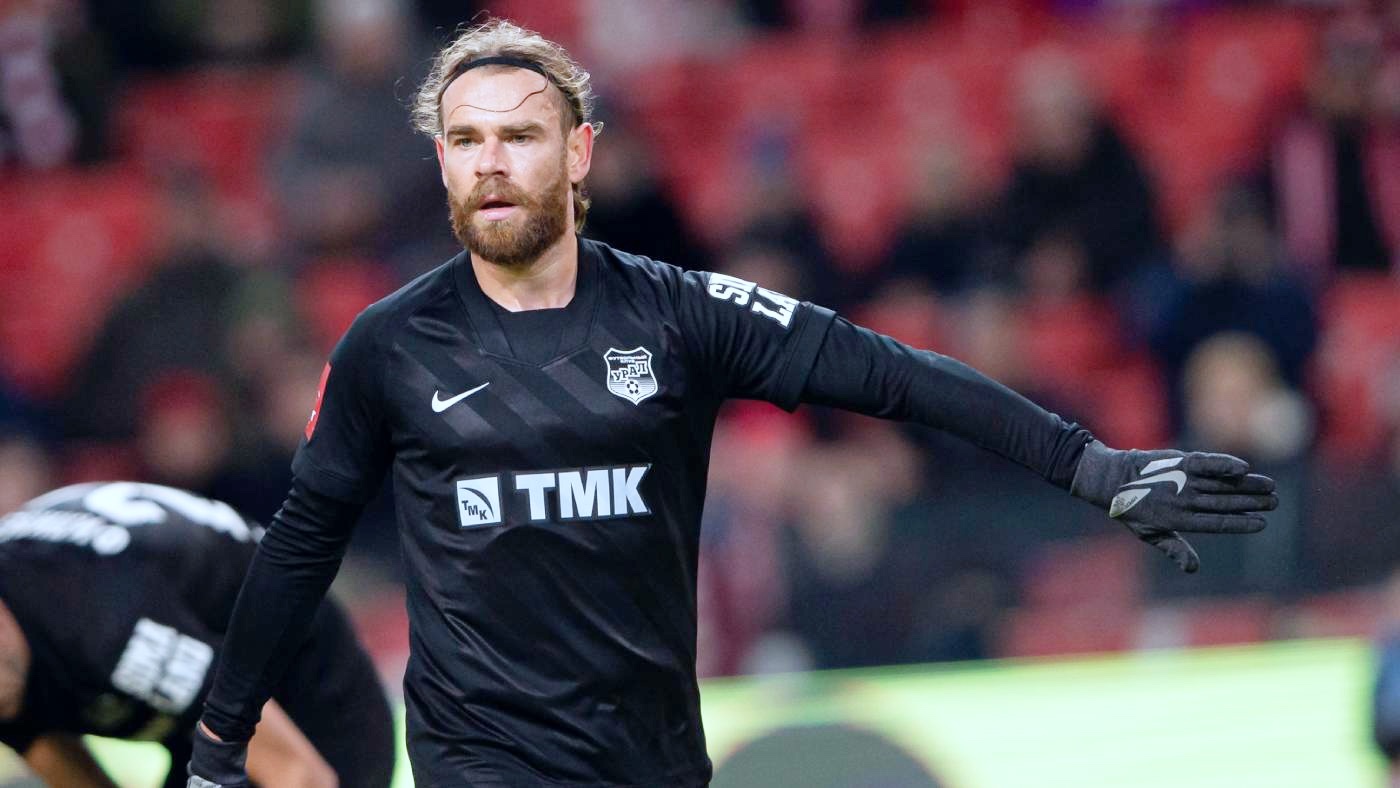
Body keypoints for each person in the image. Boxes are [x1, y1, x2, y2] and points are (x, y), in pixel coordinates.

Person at [189, 19, 1278, 787]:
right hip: (479, 762)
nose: (491, 163)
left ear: (578, 154)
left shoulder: (678, 313)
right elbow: (300, 546)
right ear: (440, 164)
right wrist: (218, 742)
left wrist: (1087, 464)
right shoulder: (387, 346)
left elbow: (891, 374)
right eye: (466, 141)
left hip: (652, 758)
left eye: (519, 135)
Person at [0, 481, 395, 788]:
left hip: (312, 698)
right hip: (194, 711)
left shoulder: (107, 626)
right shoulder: (11, 667)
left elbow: (301, 775)